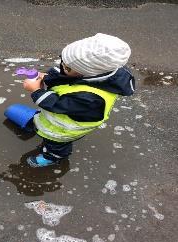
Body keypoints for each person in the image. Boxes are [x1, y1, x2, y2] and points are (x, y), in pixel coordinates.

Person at [23, 33, 135, 167]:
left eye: (67, 67)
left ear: (85, 72)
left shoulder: (90, 98)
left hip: (64, 129)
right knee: (47, 128)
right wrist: (46, 77)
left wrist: (36, 91)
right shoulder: (96, 74)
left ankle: (53, 157)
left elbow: (57, 105)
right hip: (62, 115)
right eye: (62, 61)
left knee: (56, 144)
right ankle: (40, 126)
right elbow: (66, 77)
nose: (62, 67)